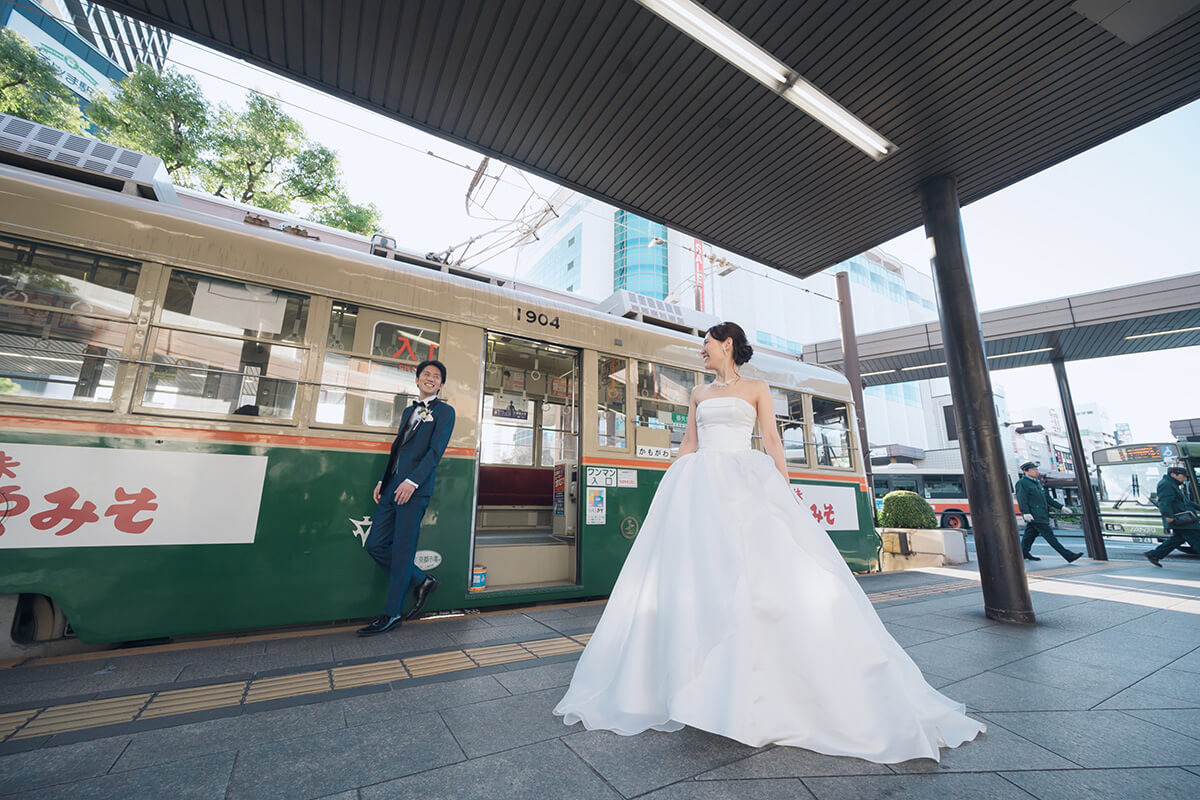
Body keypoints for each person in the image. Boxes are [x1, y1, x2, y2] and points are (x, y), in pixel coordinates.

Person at [552, 322, 985, 763]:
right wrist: (669, 490)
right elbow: (688, 444)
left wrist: (786, 491)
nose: (701, 349)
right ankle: (700, 676)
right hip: (701, 486)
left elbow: (772, 442)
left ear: (726, 345)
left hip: (745, 481)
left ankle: (747, 681)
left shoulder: (758, 388)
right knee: (705, 574)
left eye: (706, 342)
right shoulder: (698, 394)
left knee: (752, 574)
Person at [358, 360, 455, 636]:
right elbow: (398, 450)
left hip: (414, 490)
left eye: (437, 376)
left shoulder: (445, 412)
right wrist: (383, 480)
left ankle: (391, 615)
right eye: (426, 374)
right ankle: (421, 580)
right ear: (417, 380)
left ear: (441, 384)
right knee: (375, 544)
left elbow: (435, 453)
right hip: (391, 488)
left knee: (402, 551)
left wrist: (412, 482)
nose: (431, 378)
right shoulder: (409, 411)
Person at [1015, 462, 1082, 563]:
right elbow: (1022, 499)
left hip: (1041, 515)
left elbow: (1048, 499)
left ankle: (1022, 553)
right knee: (1050, 537)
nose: (1036, 471)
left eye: (1036, 469)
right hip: (1035, 515)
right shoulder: (1022, 483)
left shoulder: (1037, 483)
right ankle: (1068, 555)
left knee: (1029, 536)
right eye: (1033, 469)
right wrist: (1025, 512)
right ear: (1026, 471)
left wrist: (1062, 507)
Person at [1145, 466, 1200, 567]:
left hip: (1183, 520)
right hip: (1182, 520)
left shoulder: (1172, 484)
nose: (1185, 479)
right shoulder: (1166, 485)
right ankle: (1154, 554)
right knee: (1197, 539)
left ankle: (1155, 554)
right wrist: (1168, 516)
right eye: (1183, 476)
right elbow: (1164, 502)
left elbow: (1187, 503)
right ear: (1174, 474)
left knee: (1178, 539)